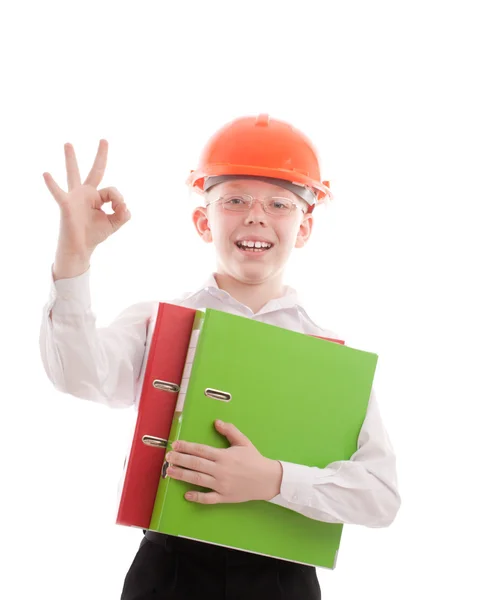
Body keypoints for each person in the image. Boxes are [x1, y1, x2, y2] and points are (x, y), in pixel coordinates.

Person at [39, 114, 401, 599]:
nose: (256, 216)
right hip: (169, 574)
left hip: (282, 581)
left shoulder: (330, 356)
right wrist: (72, 261)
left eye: (279, 203)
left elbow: (380, 496)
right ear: (203, 220)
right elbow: (79, 376)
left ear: (305, 227)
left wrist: (274, 479)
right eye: (234, 200)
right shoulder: (158, 321)